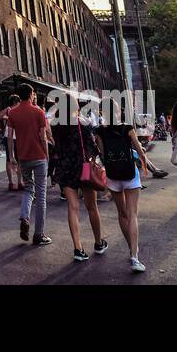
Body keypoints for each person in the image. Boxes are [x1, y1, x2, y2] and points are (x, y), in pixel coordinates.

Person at [50, 95, 105, 261]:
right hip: (84, 169)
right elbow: (93, 148)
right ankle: (98, 242)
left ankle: (78, 248)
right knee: (92, 207)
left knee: (72, 208)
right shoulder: (83, 124)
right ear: (76, 108)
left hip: (66, 169)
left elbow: (55, 147)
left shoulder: (57, 126)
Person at [95, 117, 149, 273]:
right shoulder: (127, 128)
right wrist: (144, 164)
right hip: (130, 173)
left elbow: (103, 154)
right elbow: (139, 149)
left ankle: (131, 247)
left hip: (113, 175)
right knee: (132, 215)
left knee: (122, 213)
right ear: (117, 112)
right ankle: (134, 255)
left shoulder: (100, 131)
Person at [4, 84, 52, 247]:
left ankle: (25, 216)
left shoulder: (13, 113)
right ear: (31, 95)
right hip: (39, 156)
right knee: (41, 194)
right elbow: (43, 136)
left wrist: (11, 156)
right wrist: (47, 155)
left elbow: (10, 137)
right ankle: (39, 234)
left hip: (23, 157)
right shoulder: (39, 112)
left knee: (28, 189)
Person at [1, 95, 22, 190]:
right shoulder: (10, 109)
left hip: (16, 136)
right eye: (18, 102)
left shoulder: (15, 111)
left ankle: (17, 182)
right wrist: (5, 114)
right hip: (10, 136)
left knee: (17, 160)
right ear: (15, 102)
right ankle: (13, 182)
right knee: (10, 160)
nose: (20, 104)